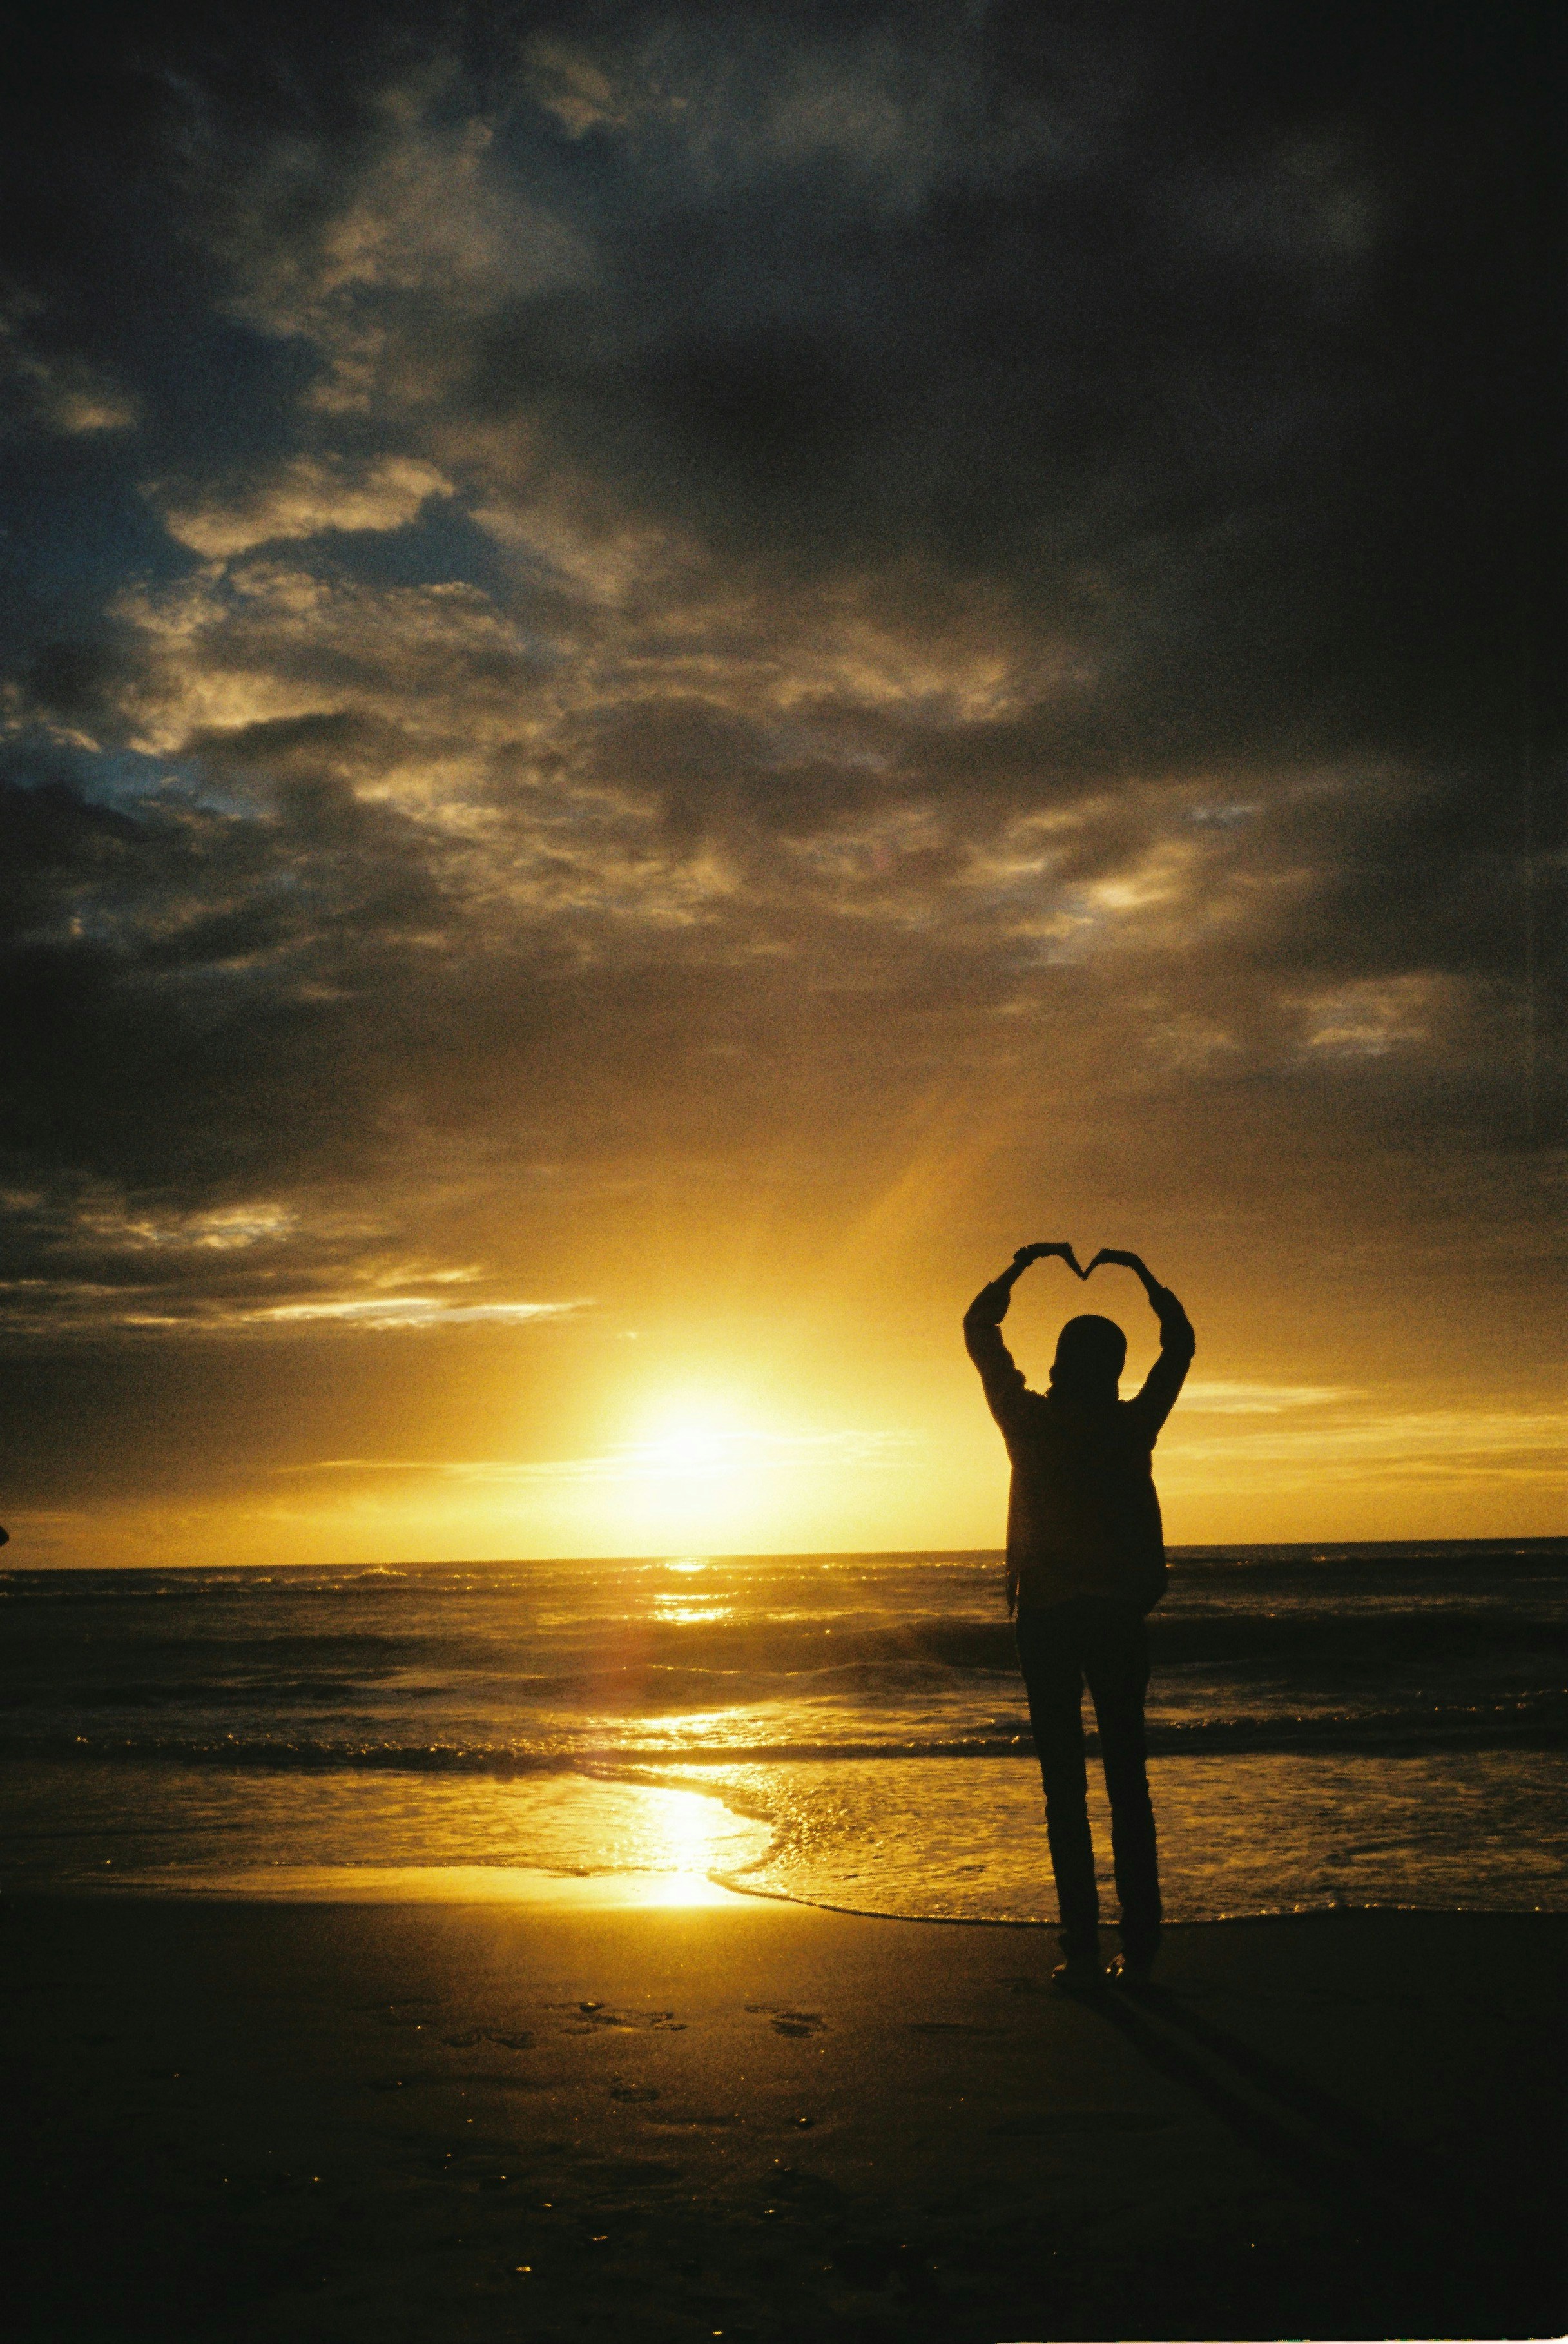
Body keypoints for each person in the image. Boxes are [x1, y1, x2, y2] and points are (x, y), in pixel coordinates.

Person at [964, 1241, 1194, 1991]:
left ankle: (1084, 1952)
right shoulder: (1133, 1426)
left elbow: (978, 1328)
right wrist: (1141, 1274)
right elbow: (1182, 1344)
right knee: (1128, 1781)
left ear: (1061, 1364)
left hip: (1050, 1621)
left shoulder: (1027, 1421)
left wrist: (1024, 1263)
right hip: (1119, 1617)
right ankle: (1144, 1950)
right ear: (1115, 1367)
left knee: (1064, 1787)